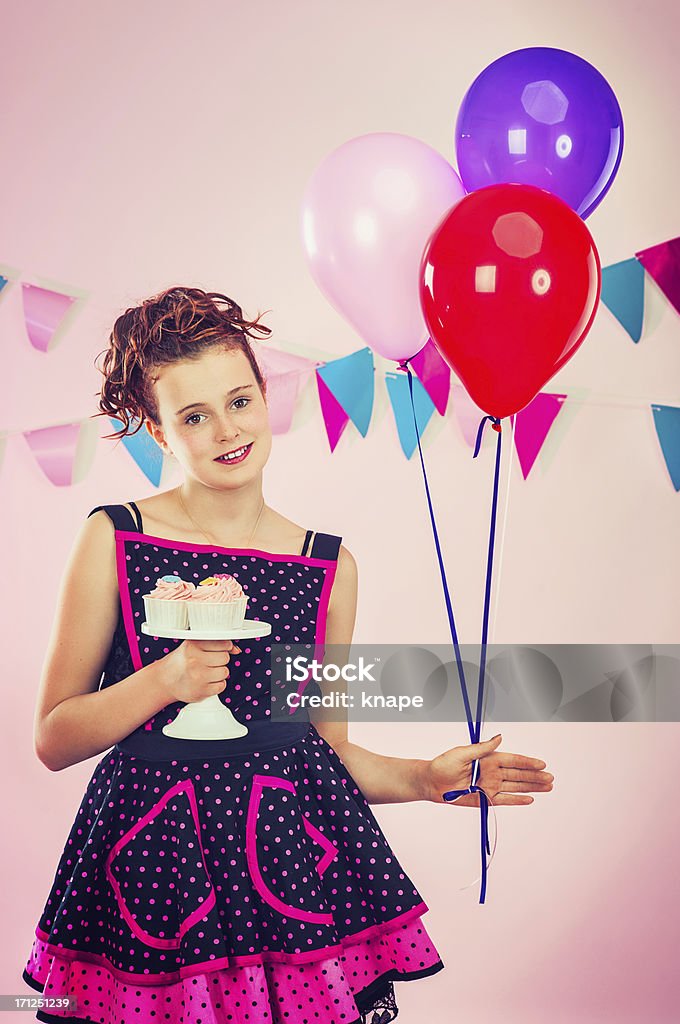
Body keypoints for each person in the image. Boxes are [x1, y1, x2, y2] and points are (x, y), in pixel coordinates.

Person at [22, 286, 554, 1024]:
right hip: (153, 875)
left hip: (288, 881)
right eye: (192, 416)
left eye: (238, 401)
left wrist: (426, 779)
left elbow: (323, 751)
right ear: (155, 428)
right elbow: (53, 737)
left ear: (264, 393)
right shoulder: (114, 537)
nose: (225, 430)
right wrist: (164, 680)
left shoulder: (326, 568)